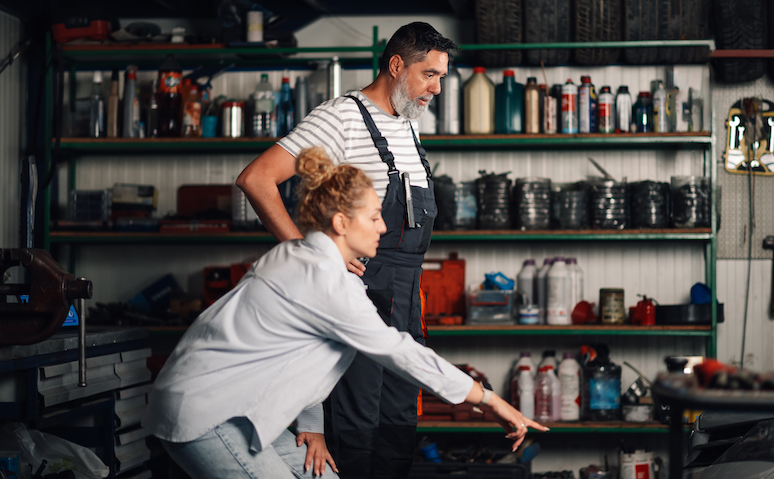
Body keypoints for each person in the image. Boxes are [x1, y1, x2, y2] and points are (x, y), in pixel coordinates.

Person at [143, 148, 547, 479]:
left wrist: (312, 428)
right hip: (204, 414)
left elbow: (293, 355)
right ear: (340, 222)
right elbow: (399, 352)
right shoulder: (325, 281)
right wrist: (489, 400)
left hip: (232, 406)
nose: (383, 227)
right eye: (373, 216)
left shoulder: (307, 260)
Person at [236, 22, 458, 478]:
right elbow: (256, 179)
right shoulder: (340, 118)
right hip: (359, 294)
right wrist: (308, 255)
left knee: (398, 426)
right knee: (356, 428)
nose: (436, 88)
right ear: (397, 65)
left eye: (441, 77)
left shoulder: (408, 125)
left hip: (406, 298)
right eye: (429, 75)